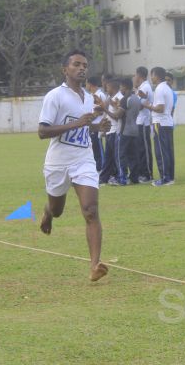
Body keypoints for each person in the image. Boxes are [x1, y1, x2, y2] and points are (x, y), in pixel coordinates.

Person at [38, 49, 110, 282]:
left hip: (83, 160)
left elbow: (84, 128)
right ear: (65, 69)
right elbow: (42, 131)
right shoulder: (55, 96)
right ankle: (48, 211)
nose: (81, 68)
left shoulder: (89, 98)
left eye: (85, 65)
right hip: (58, 163)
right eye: (76, 64)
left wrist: (97, 128)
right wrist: (77, 123)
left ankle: (95, 265)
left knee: (91, 210)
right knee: (57, 210)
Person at [141, 67, 174, 186]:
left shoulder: (159, 89)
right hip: (167, 123)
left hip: (160, 123)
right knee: (168, 151)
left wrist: (148, 106)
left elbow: (160, 108)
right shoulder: (167, 88)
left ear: (157, 76)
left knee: (161, 152)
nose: (151, 78)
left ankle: (165, 178)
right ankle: (170, 177)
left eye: (152, 75)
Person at [115, 78, 142, 185]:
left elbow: (117, 116)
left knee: (121, 155)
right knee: (133, 155)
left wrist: (104, 109)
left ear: (125, 87)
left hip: (125, 130)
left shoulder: (125, 99)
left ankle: (122, 179)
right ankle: (134, 178)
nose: (120, 89)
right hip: (135, 129)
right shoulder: (136, 98)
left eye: (121, 87)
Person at [97, 79, 123, 185]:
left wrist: (105, 109)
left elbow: (117, 117)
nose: (106, 89)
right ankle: (104, 178)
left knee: (115, 157)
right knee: (108, 157)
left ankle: (118, 176)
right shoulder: (110, 98)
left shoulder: (119, 98)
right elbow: (107, 113)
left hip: (115, 131)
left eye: (107, 87)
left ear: (113, 88)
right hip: (109, 131)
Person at [134, 66, 154, 183]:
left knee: (145, 149)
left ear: (139, 75)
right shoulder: (141, 87)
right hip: (139, 122)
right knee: (140, 149)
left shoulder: (145, 87)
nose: (134, 77)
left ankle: (148, 174)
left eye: (135, 75)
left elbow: (141, 105)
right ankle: (142, 173)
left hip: (144, 122)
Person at [85, 76, 105, 172]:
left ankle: (102, 169)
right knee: (94, 149)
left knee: (99, 149)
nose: (85, 86)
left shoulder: (100, 95)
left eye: (86, 83)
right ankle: (97, 168)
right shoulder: (91, 95)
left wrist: (89, 119)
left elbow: (100, 111)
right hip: (92, 126)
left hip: (97, 126)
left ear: (90, 84)